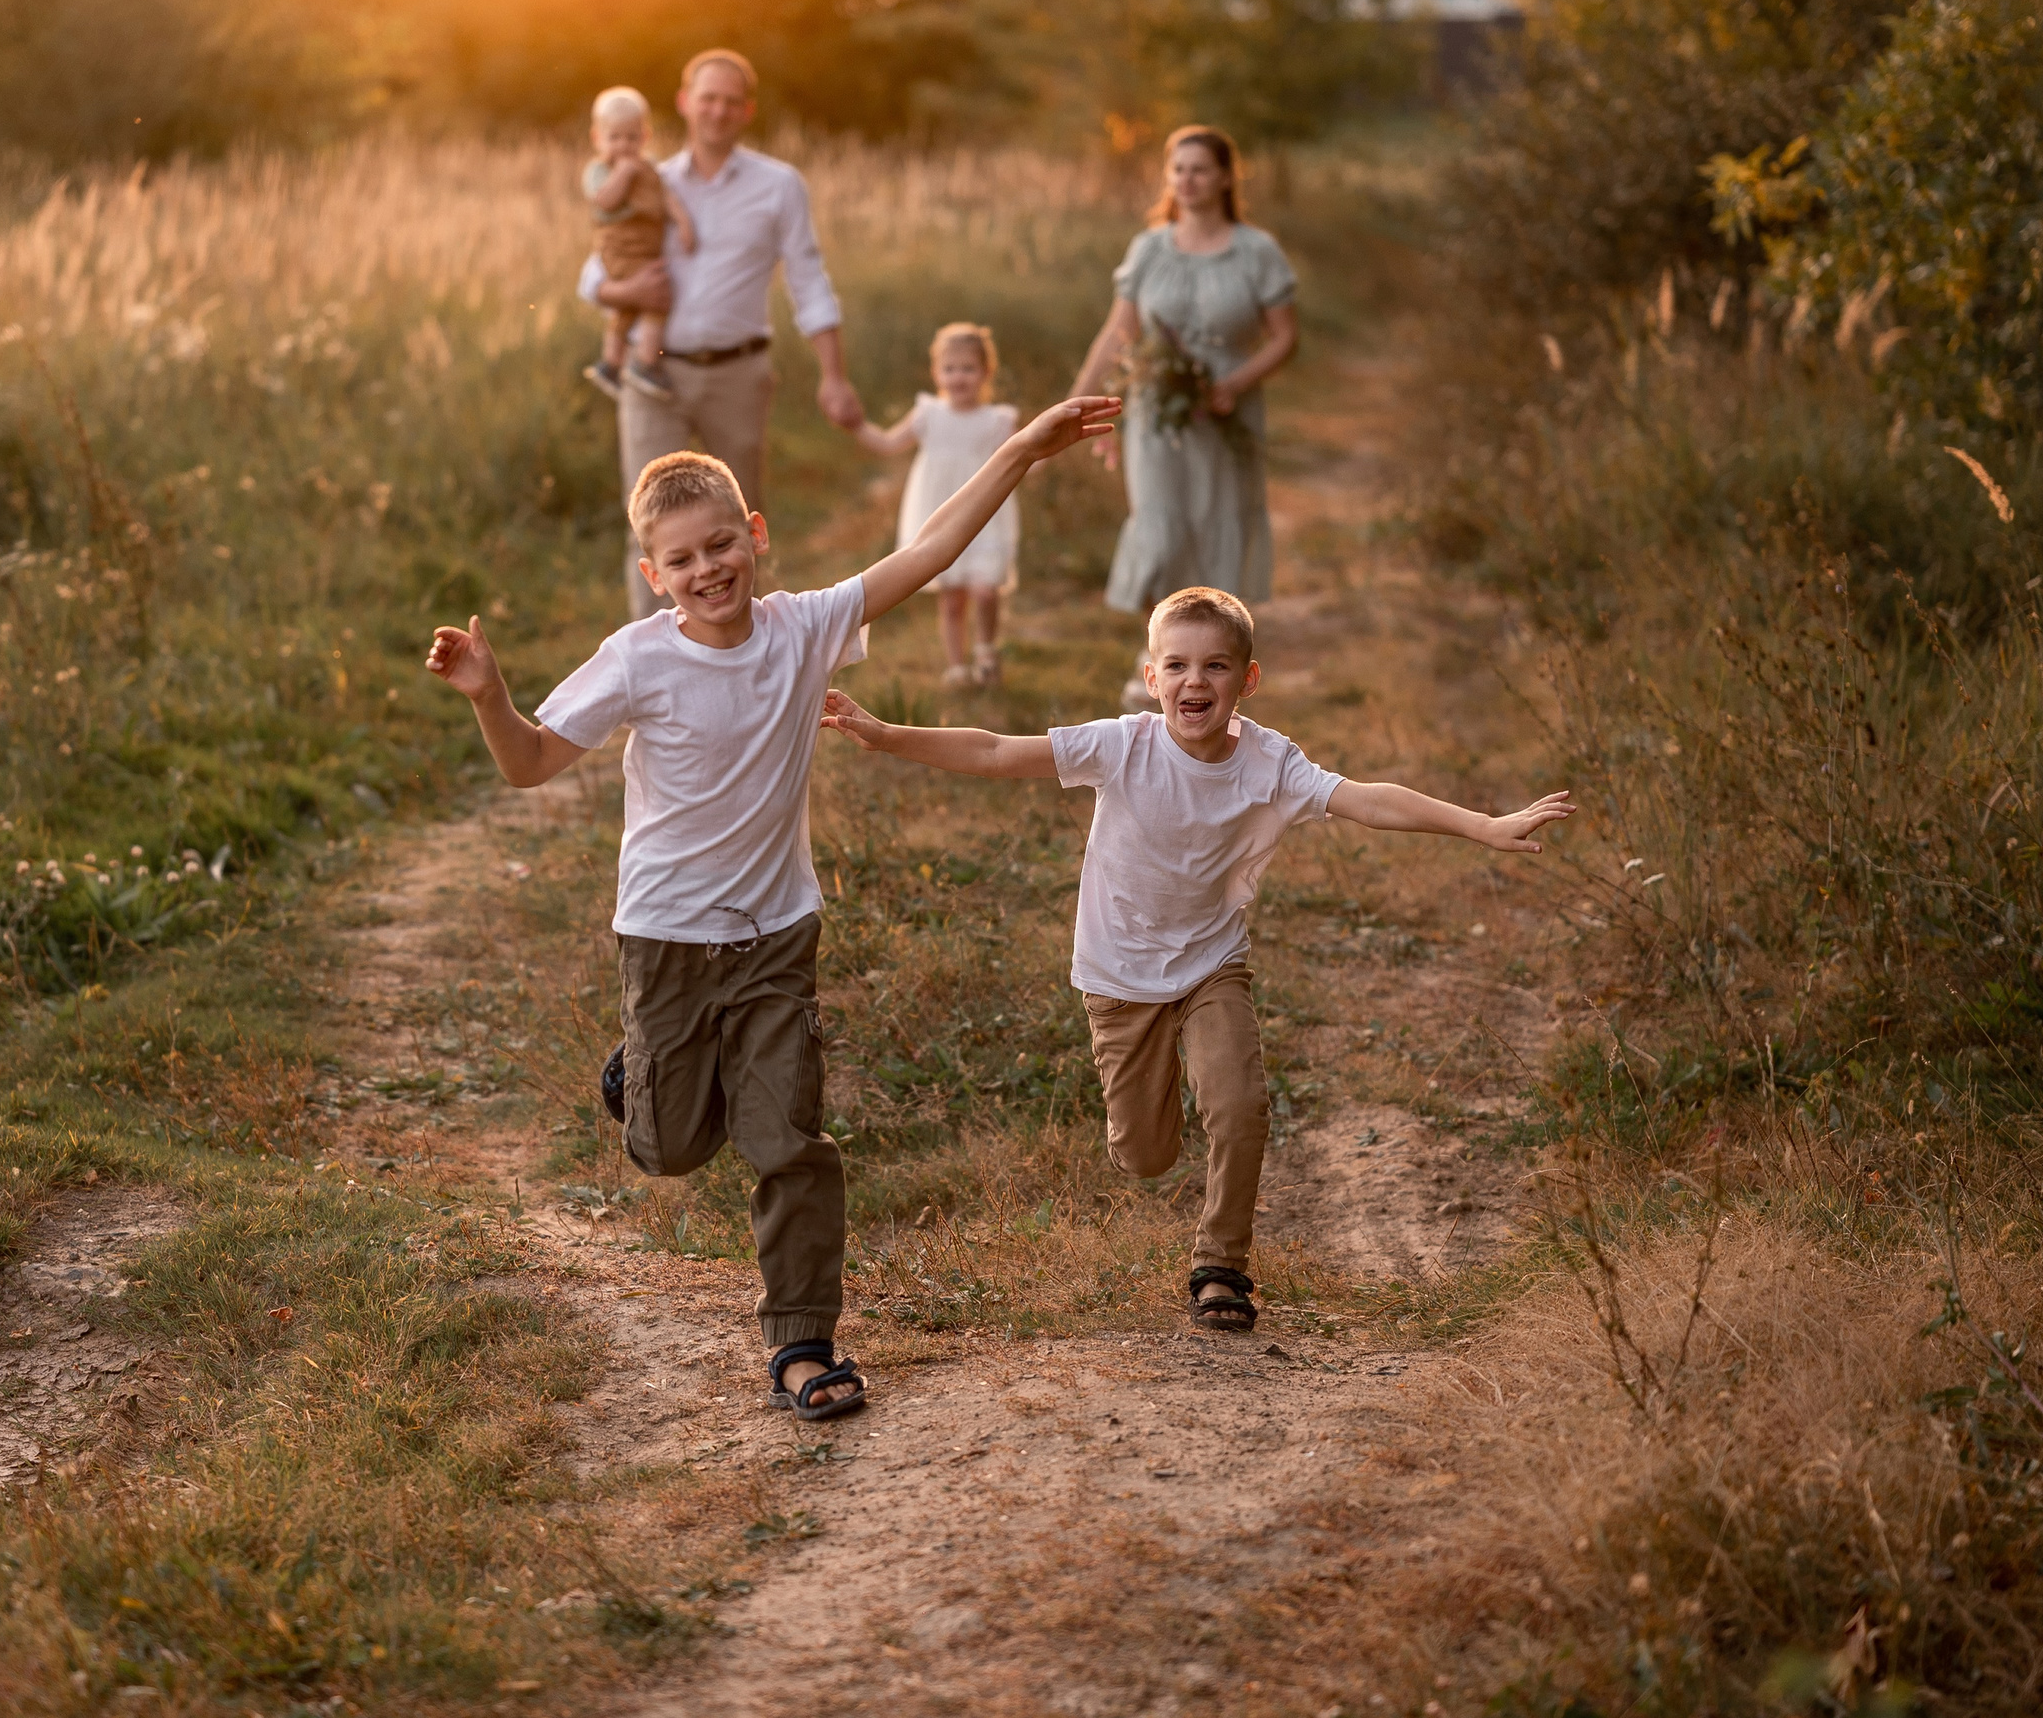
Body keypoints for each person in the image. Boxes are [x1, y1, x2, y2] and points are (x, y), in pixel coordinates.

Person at [425, 396, 1122, 1412]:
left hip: (774, 936)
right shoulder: (637, 657)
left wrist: (1019, 449)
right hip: (664, 941)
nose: (707, 569)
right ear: (651, 575)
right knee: (670, 1150)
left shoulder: (807, 627)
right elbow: (531, 764)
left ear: (753, 537)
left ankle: (803, 1345)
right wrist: (492, 695)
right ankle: (648, 1072)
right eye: (682, 558)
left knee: (789, 1142)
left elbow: (928, 551)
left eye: (721, 544)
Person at [817, 586, 1574, 1332]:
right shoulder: (1123, 746)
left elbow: (1369, 801)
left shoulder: (1272, 763)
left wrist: (1481, 825)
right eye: (1175, 666)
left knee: (1240, 1106)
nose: (1194, 682)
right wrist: (886, 735)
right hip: (1119, 978)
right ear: (1152, 680)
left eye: (1215, 667)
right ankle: (1158, 1107)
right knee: (1146, 1156)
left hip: (1213, 963)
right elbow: (993, 749)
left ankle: (1221, 1265)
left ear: (1247, 681)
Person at [578, 48, 866, 619]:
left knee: (737, 525)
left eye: (731, 102)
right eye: (707, 98)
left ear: (746, 111)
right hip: (652, 371)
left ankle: (741, 670)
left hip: (739, 373)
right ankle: (655, 682)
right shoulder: (645, 178)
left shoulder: (779, 185)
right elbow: (594, 273)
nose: (718, 111)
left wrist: (834, 376)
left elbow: (809, 281)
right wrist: (626, 295)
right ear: (685, 104)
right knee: (651, 526)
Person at [1069, 126, 1300, 709]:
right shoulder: (1149, 248)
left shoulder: (1256, 250)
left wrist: (1235, 383)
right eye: (1178, 169)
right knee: (1161, 527)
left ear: (1225, 176)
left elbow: (1285, 339)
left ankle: (1216, 671)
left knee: (1215, 524)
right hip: (1156, 415)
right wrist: (1076, 403)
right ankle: (1158, 661)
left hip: (1227, 414)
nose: (1187, 180)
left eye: (1200, 169)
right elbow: (1119, 334)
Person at [852, 322, 1021, 689]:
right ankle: (957, 667)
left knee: (985, 590)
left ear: (985, 372)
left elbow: (1027, 458)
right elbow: (887, 442)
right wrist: (856, 425)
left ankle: (986, 649)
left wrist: (1058, 440)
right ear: (936, 373)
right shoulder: (928, 414)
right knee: (951, 598)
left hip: (985, 516)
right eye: (950, 368)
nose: (958, 377)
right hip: (939, 514)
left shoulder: (997, 421)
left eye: (968, 368)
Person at [578, 86, 698, 403]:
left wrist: (683, 221)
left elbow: (665, 196)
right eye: (614, 137)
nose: (624, 145)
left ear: (644, 136)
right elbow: (604, 201)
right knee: (657, 297)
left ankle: (611, 364)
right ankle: (646, 362)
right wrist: (623, 172)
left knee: (630, 306)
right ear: (597, 138)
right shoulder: (599, 170)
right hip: (621, 248)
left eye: (631, 137)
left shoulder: (651, 168)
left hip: (647, 247)